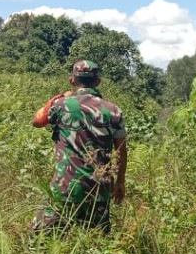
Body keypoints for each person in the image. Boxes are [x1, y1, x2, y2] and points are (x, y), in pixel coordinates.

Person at [31, 60, 128, 235]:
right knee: (97, 246)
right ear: (98, 82)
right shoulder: (113, 111)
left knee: (40, 242)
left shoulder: (62, 105)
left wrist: (58, 97)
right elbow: (121, 150)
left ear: (72, 81)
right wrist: (120, 181)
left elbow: (37, 121)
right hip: (99, 190)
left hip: (65, 187)